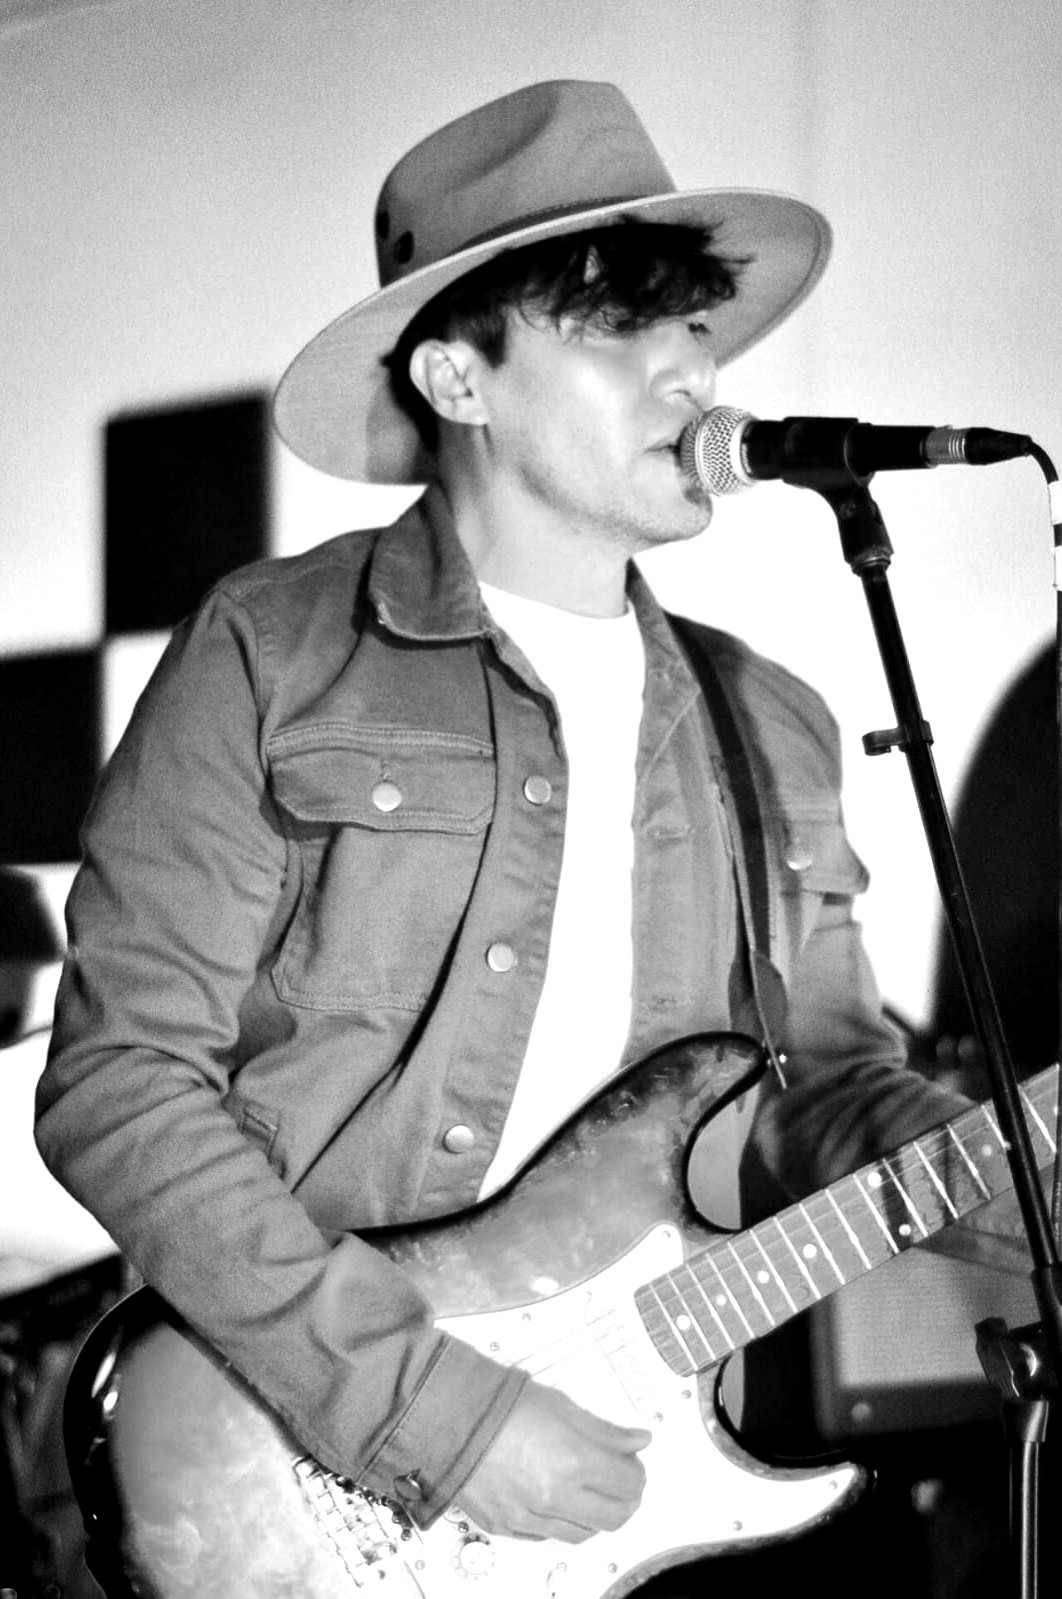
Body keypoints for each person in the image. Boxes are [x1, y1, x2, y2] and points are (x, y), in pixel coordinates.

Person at [34, 78, 1031, 1586]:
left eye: (692, 323)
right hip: (295, 1462)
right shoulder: (273, 651)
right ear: (459, 378)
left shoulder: (772, 720)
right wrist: (439, 1413)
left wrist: (1011, 1163)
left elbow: (816, 1091)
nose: (691, 369)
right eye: (618, 324)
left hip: (646, 1442)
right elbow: (120, 1086)